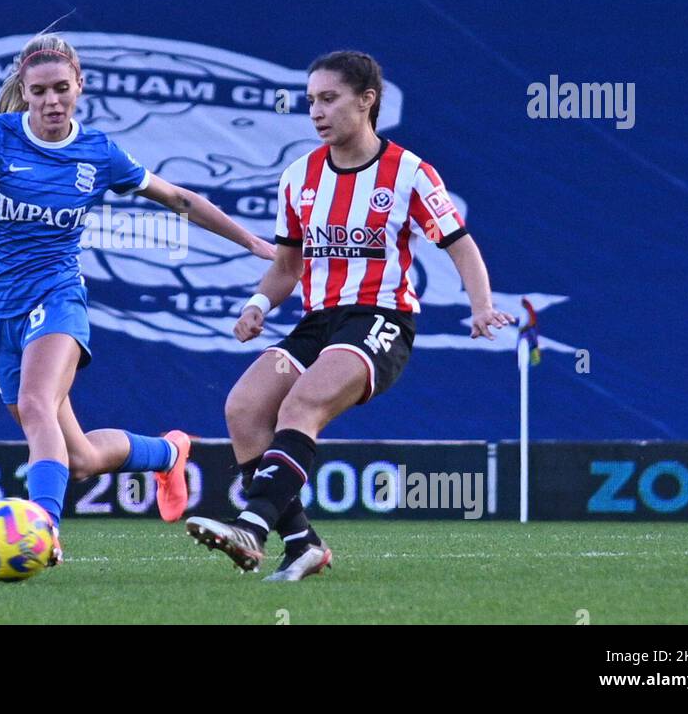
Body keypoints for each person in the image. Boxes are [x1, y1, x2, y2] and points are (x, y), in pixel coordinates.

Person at [0, 32, 275, 562]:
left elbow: (178, 197)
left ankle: (42, 527)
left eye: (61, 89)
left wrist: (247, 240)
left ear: (80, 87)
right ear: (24, 88)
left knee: (39, 403)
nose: (51, 101)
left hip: (58, 295)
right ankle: (167, 452)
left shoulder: (98, 152)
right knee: (81, 458)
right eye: (39, 91)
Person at [186, 50, 515, 578]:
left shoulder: (408, 172)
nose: (316, 111)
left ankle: (251, 526)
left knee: (302, 405)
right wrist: (257, 304)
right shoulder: (299, 176)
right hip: (319, 322)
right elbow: (287, 265)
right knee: (244, 409)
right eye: (311, 100)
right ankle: (302, 545)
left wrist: (482, 307)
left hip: (380, 319)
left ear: (367, 101)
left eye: (329, 98)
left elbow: (460, 244)